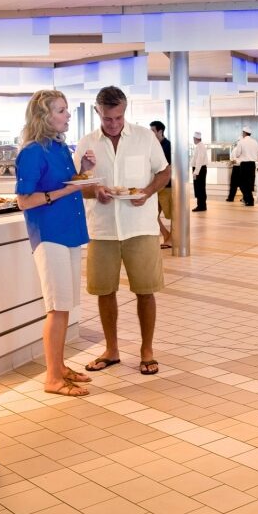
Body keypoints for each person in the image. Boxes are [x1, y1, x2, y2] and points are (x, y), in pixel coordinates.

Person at [76, 86, 170, 376]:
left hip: (139, 226)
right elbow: (77, 183)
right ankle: (111, 349)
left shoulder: (144, 137)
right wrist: (95, 190)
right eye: (107, 118)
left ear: (125, 111)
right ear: (97, 112)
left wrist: (147, 191)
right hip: (102, 229)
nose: (113, 124)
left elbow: (164, 172)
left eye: (118, 117)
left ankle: (147, 350)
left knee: (145, 290)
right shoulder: (87, 143)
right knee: (105, 291)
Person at [15, 90, 93, 397]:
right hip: (49, 236)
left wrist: (82, 173)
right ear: (44, 116)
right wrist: (63, 192)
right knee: (57, 308)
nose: (68, 115)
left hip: (70, 232)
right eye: (61, 111)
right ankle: (52, 377)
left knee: (66, 306)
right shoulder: (32, 151)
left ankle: (60, 367)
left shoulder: (59, 148)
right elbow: (24, 200)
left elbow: (65, 182)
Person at [149, 120, 173, 249]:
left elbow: (167, 168)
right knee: (153, 215)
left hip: (167, 186)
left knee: (172, 215)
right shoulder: (154, 146)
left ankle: (171, 238)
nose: (151, 133)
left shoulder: (167, 146)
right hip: (156, 186)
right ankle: (167, 236)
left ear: (160, 131)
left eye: (153, 130)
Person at [233, 126, 258, 206]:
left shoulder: (241, 142)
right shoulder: (255, 142)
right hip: (252, 165)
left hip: (244, 165)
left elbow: (237, 154)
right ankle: (247, 199)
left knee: (242, 184)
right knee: (249, 184)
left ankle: (250, 200)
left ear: (244, 133)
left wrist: (238, 156)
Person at [190, 131, 208, 212]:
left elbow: (199, 160)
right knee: (199, 188)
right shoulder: (199, 146)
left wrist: (196, 172)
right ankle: (201, 205)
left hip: (199, 170)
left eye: (193, 138)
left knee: (200, 188)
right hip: (199, 169)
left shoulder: (200, 146)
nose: (193, 140)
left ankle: (201, 206)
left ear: (196, 138)